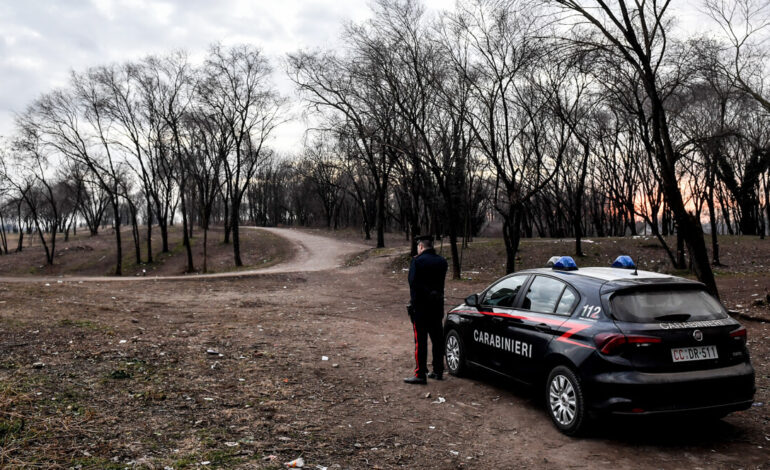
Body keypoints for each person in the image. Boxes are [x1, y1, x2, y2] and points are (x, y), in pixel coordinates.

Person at [404, 235, 448, 385]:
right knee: (437, 340)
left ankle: (420, 374)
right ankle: (438, 370)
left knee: (420, 343)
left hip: (421, 310)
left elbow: (413, 284)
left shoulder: (417, 261)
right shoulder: (442, 262)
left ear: (421, 247)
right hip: (437, 308)